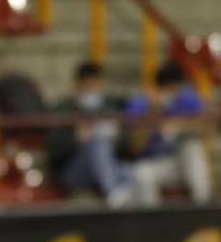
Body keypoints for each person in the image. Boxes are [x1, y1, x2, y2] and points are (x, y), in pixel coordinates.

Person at [120, 60, 212, 205]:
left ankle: (203, 208)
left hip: (181, 163)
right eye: (171, 89)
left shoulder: (187, 97)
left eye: (178, 89)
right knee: (142, 174)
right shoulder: (141, 103)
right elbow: (136, 147)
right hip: (155, 163)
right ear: (160, 88)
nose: (175, 93)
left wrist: (179, 125)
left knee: (193, 149)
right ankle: (154, 222)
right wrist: (153, 112)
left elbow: (206, 128)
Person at [45, 61, 134, 205]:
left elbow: (128, 148)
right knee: (97, 141)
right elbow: (53, 150)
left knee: (138, 172)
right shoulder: (63, 109)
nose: (91, 90)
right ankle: (112, 192)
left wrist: (116, 138)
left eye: (94, 85)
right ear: (77, 85)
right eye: (87, 85)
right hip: (74, 171)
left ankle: (114, 190)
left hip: (108, 166)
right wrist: (76, 137)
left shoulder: (111, 108)